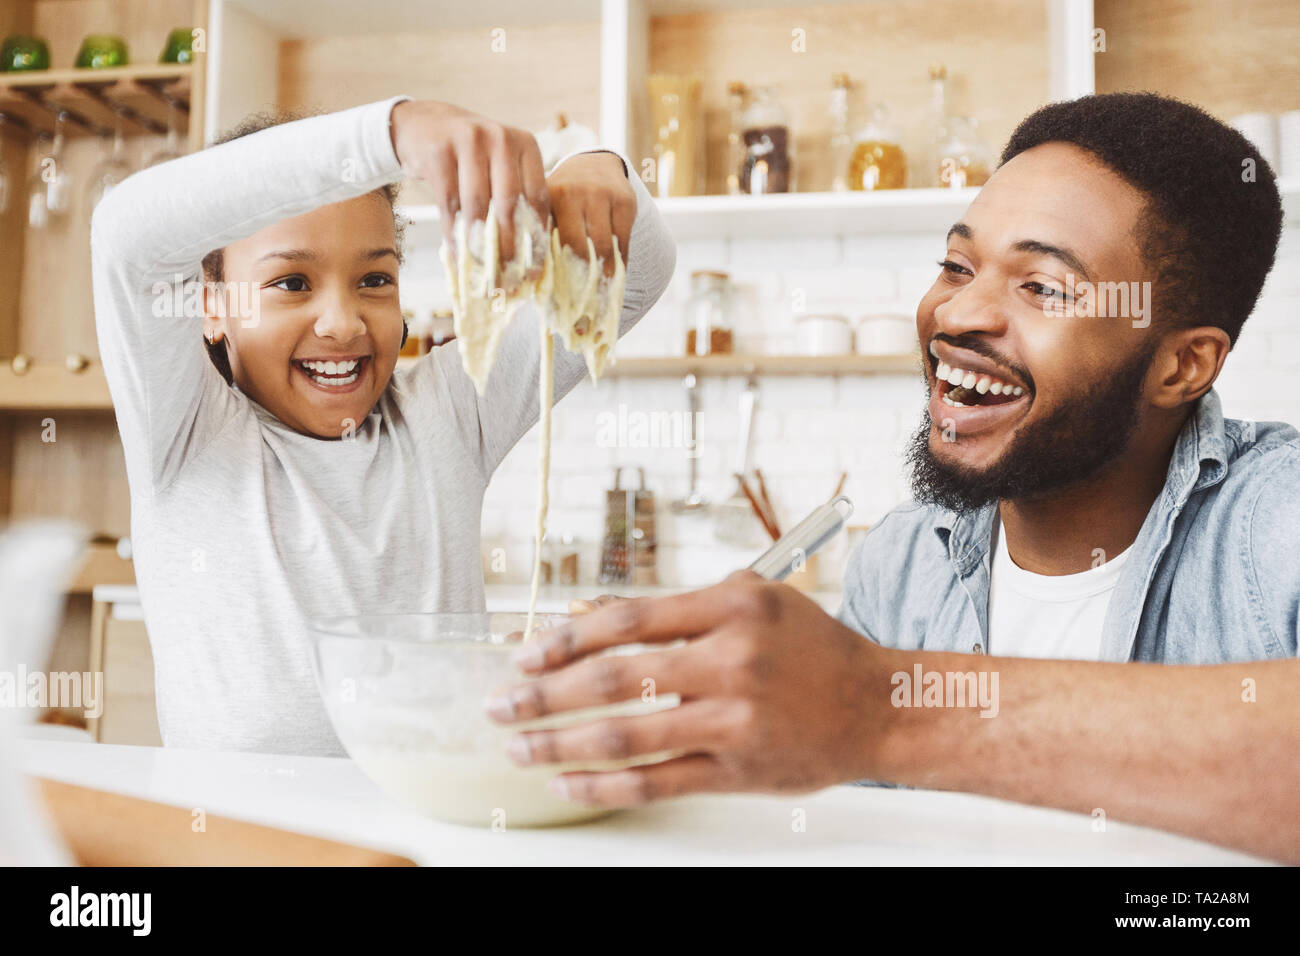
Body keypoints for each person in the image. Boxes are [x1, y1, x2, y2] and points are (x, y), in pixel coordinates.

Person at [484, 92, 1300, 864]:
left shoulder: (1275, 520)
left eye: (1042, 286)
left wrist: (883, 705)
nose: (957, 315)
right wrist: (692, 711)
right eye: (956, 264)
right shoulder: (905, 563)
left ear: (1183, 365)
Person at [90, 97, 675, 755]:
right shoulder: (187, 436)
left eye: (373, 278)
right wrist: (388, 132)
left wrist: (600, 168)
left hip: (430, 836)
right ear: (212, 307)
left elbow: (635, 277)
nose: (343, 323)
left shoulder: (448, 412)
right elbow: (125, 237)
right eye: (290, 282)